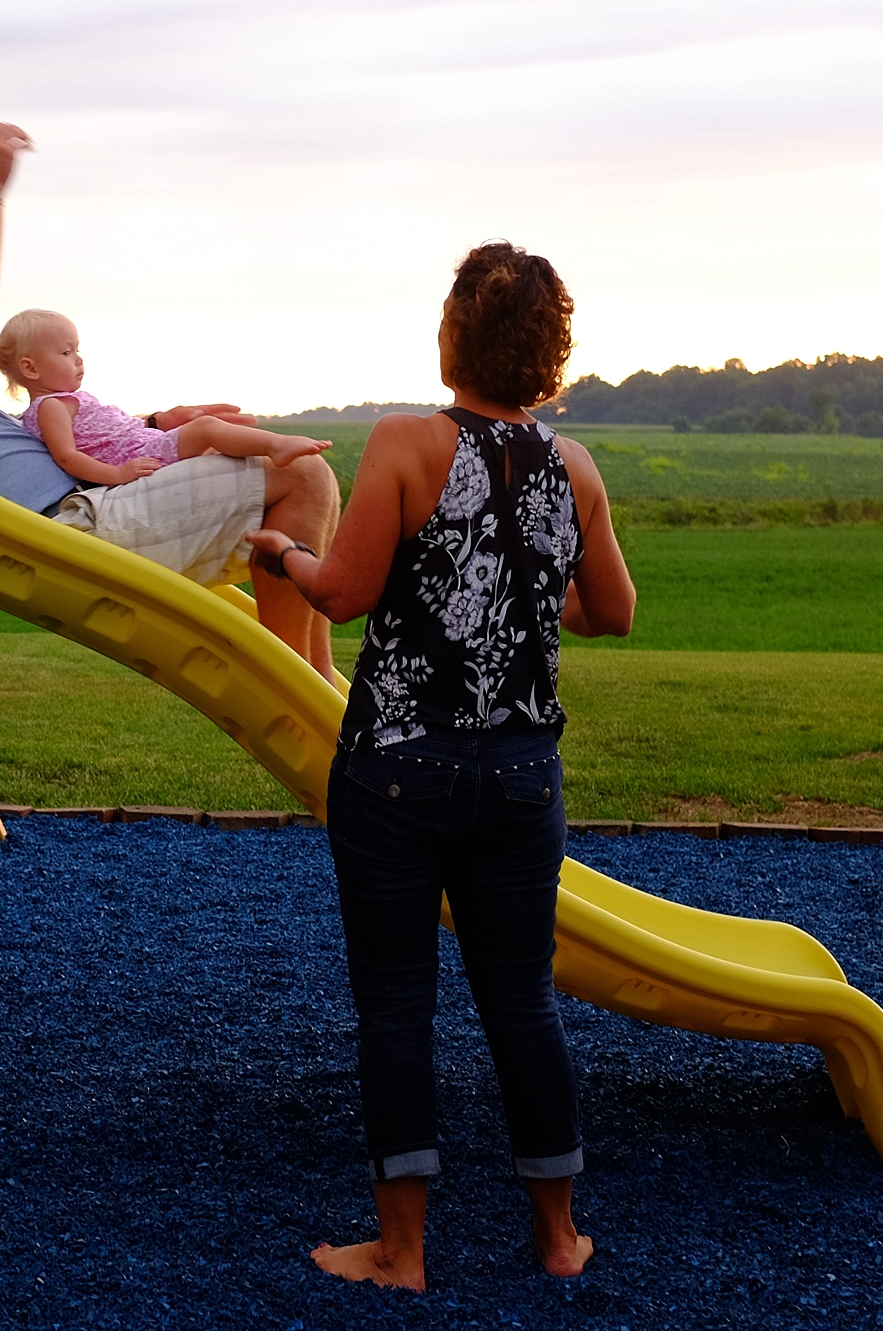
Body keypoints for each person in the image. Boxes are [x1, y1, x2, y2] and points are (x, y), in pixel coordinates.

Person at [243, 240, 637, 1288]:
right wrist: (518, 592)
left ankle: (402, 1251)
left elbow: (339, 593)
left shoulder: (408, 441)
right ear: (551, 354)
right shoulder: (575, 466)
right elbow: (614, 611)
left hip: (396, 767)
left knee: (395, 1003)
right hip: (521, 773)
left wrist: (277, 553)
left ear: (451, 334)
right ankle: (558, 1238)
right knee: (523, 999)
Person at [0, 123, 342, 677]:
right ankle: (296, 679)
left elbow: (44, 434)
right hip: (68, 528)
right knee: (301, 476)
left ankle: (319, 684)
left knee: (293, 473)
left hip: (86, 507)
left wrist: (158, 423)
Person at [0, 308, 333, 487]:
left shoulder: (64, 403)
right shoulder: (51, 407)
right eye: (66, 352)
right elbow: (67, 458)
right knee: (206, 428)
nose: (78, 360)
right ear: (31, 368)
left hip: (142, 445)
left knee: (210, 441)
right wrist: (120, 474)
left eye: (77, 350)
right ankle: (276, 446)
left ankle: (263, 448)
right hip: (136, 457)